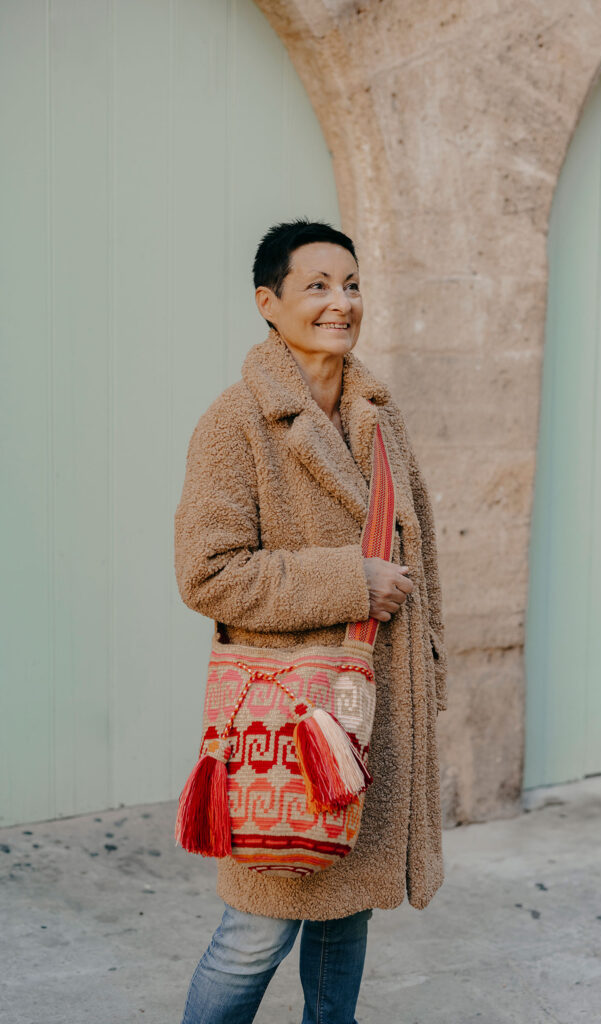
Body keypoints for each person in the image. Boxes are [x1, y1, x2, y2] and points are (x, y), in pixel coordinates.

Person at [174, 219, 448, 1024]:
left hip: (372, 716)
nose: (341, 303)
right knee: (256, 932)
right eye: (318, 286)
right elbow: (207, 573)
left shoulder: (376, 415)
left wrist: (427, 672)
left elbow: (421, 562)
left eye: (352, 284)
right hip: (288, 727)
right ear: (269, 302)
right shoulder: (235, 424)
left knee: (347, 916)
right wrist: (347, 581)